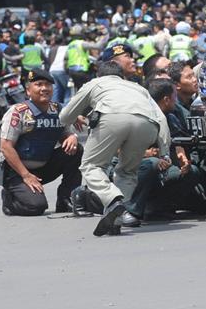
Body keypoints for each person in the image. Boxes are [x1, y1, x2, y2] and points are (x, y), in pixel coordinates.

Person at [59, 60, 170, 236]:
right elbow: (161, 118)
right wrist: (165, 152)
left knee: (91, 166)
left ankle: (112, 199)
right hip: (147, 125)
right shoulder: (137, 87)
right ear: (121, 76)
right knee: (127, 172)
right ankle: (115, 221)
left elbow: (65, 116)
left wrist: (73, 119)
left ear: (99, 75)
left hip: (112, 119)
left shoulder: (95, 83)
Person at [0, 69, 82, 216]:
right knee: (36, 207)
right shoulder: (18, 112)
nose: (44, 88)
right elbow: (5, 147)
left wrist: (71, 136)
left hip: (43, 168)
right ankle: (9, 200)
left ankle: (65, 199)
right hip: (17, 172)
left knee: (76, 149)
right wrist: (25, 175)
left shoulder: (57, 110)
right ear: (28, 91)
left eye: (48, 84)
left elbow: (64, 135)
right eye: (39, 84)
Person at [125, 78, 204, 221]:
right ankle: (132, 211)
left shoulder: (170, 117)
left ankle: (158, 207)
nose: (176, 100)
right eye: (174, 97)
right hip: (132, 169)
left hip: (162, 169)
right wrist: (146, 155)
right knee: (152, 164)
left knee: (192, 172)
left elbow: (176, 141)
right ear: (166, 99)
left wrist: (182, 158)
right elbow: (118, 150)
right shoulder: (138, 118)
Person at [65, 24, 104, 92]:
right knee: (89, 88)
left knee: (79, 90)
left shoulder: (70, 45)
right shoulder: (82, 43)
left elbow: (65, 59)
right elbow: (98, 46)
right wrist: (104, 36)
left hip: (71, 71)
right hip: (81, 70)